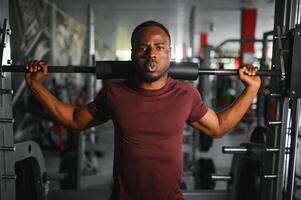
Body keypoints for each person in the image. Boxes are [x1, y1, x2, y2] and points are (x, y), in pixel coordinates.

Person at [25, 20, 261, 200]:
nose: (152, 54)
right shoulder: (114, 94)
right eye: (143, 48)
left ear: (170, 52)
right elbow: (75, 120)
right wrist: (35, 85)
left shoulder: (186, 95)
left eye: (159, 47)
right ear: (132, 54)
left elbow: (218, 127)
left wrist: (250, 91)